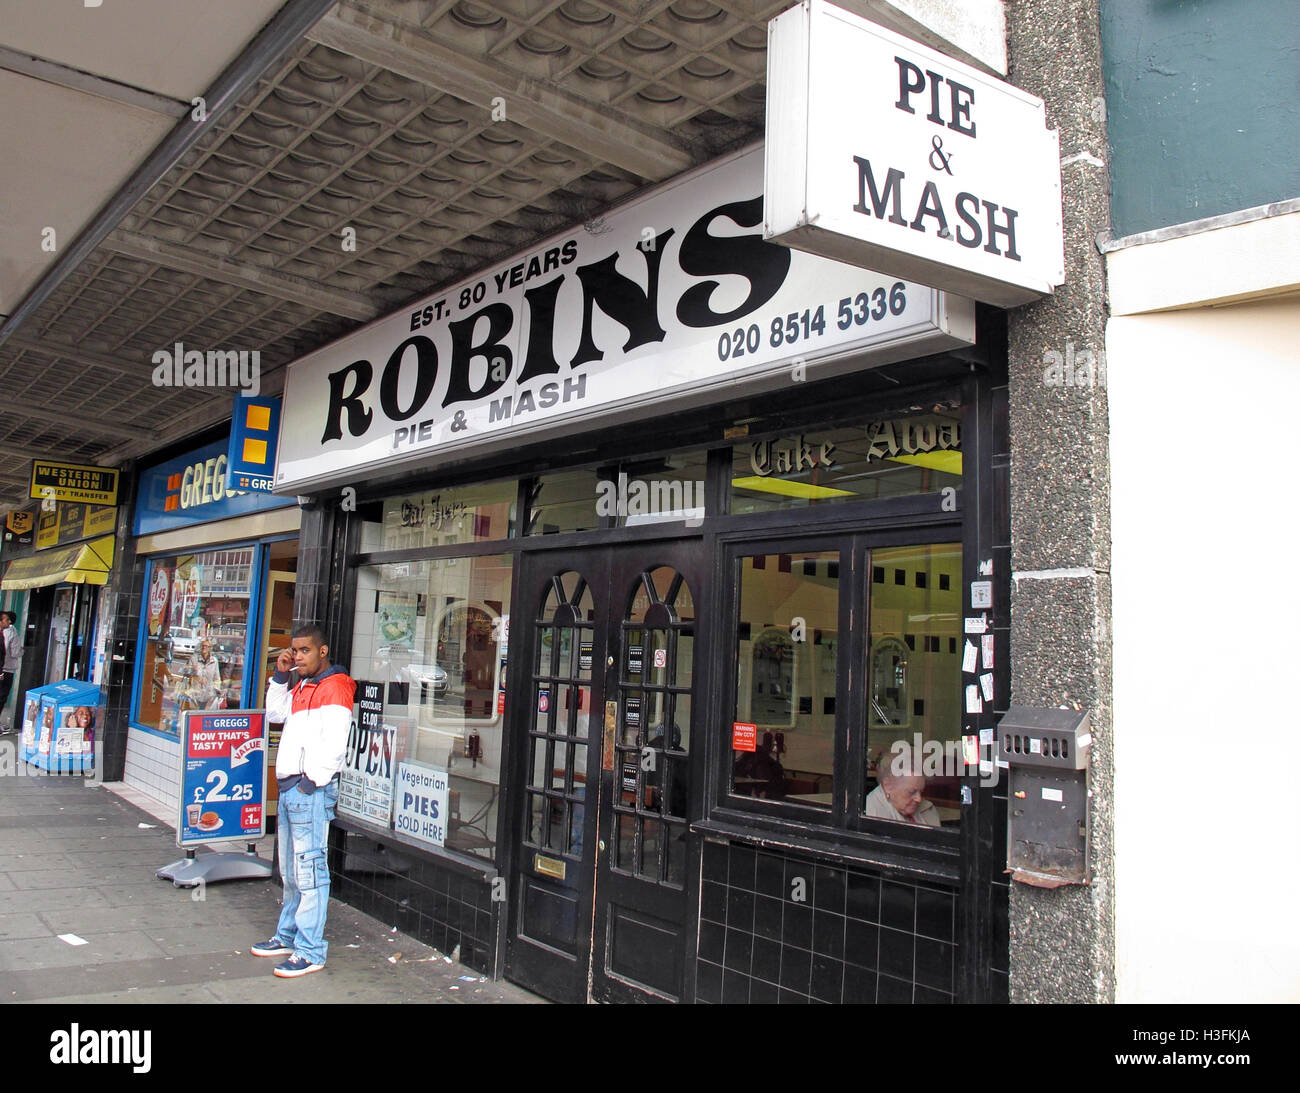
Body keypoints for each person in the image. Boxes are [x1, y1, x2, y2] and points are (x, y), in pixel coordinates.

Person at [252, 624, 355, 978]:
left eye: (304, 651)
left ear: (322, 651)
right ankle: (287, 935)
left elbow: (335, 744)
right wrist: (280, 677)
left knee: (310, 871)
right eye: (294, 651)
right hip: (291, 788)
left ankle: (310, 950)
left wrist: (312, 782)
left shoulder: (336, 687)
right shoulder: (302, 685)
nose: (297, 656)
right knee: (293, 871)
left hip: (306, 790)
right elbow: (275, 716)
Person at [865, 751, 940, 826]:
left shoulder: (927, 808)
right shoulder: (871, 814)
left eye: (921, 792)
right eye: (911, 792)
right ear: (888, 785)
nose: (919, 799)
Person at [185, 639, 223, 706]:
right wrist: (193, 670)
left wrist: (217, 690)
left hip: (209, 695)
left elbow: (217, 678)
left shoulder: (214, 661)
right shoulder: (193, 659)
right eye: (203, 646)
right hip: (195, 694)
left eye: (206, 646)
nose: (204, 647)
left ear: (210, 648)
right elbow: (186, 673)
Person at [0, 610, 19, 732]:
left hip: (3, 668)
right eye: (6, 619)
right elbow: (14, 652)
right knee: (2, 696)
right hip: (6, 670)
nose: (9, 622)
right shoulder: (12, 632)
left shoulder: (3, 633)